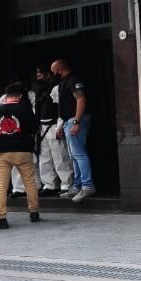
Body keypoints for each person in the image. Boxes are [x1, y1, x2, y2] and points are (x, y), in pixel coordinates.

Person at [0, 82, 41, 229]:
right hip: (23, 151)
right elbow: (35, 129)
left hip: (2, 153)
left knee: (1, 187)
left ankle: (2, 218)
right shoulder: (26, 110)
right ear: (20, 96)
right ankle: (34, 213)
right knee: (30, 183)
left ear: (6, 96)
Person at [51, 58, 94, 203]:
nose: (53, 75)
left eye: (53, 72)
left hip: (75, 120)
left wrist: (76, 121)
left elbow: (81, 99)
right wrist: (63, 125)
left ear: (59, 70)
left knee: (78, 154)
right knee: (74, 155)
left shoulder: (72, 80)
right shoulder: (65, 82)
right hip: (69, 121)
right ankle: (77, 186)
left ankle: (87, 186)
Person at [33, 66, 68, 196]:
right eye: (36, 72)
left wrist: (60, 124)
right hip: (41, 126)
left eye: (40, 72)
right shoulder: (38, 89)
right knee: (44, 157)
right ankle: (49, 184)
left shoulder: (56, 87)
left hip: (53, 124)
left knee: (60, 156)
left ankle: (66, 184)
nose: (38, 74)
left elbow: (61, 107)